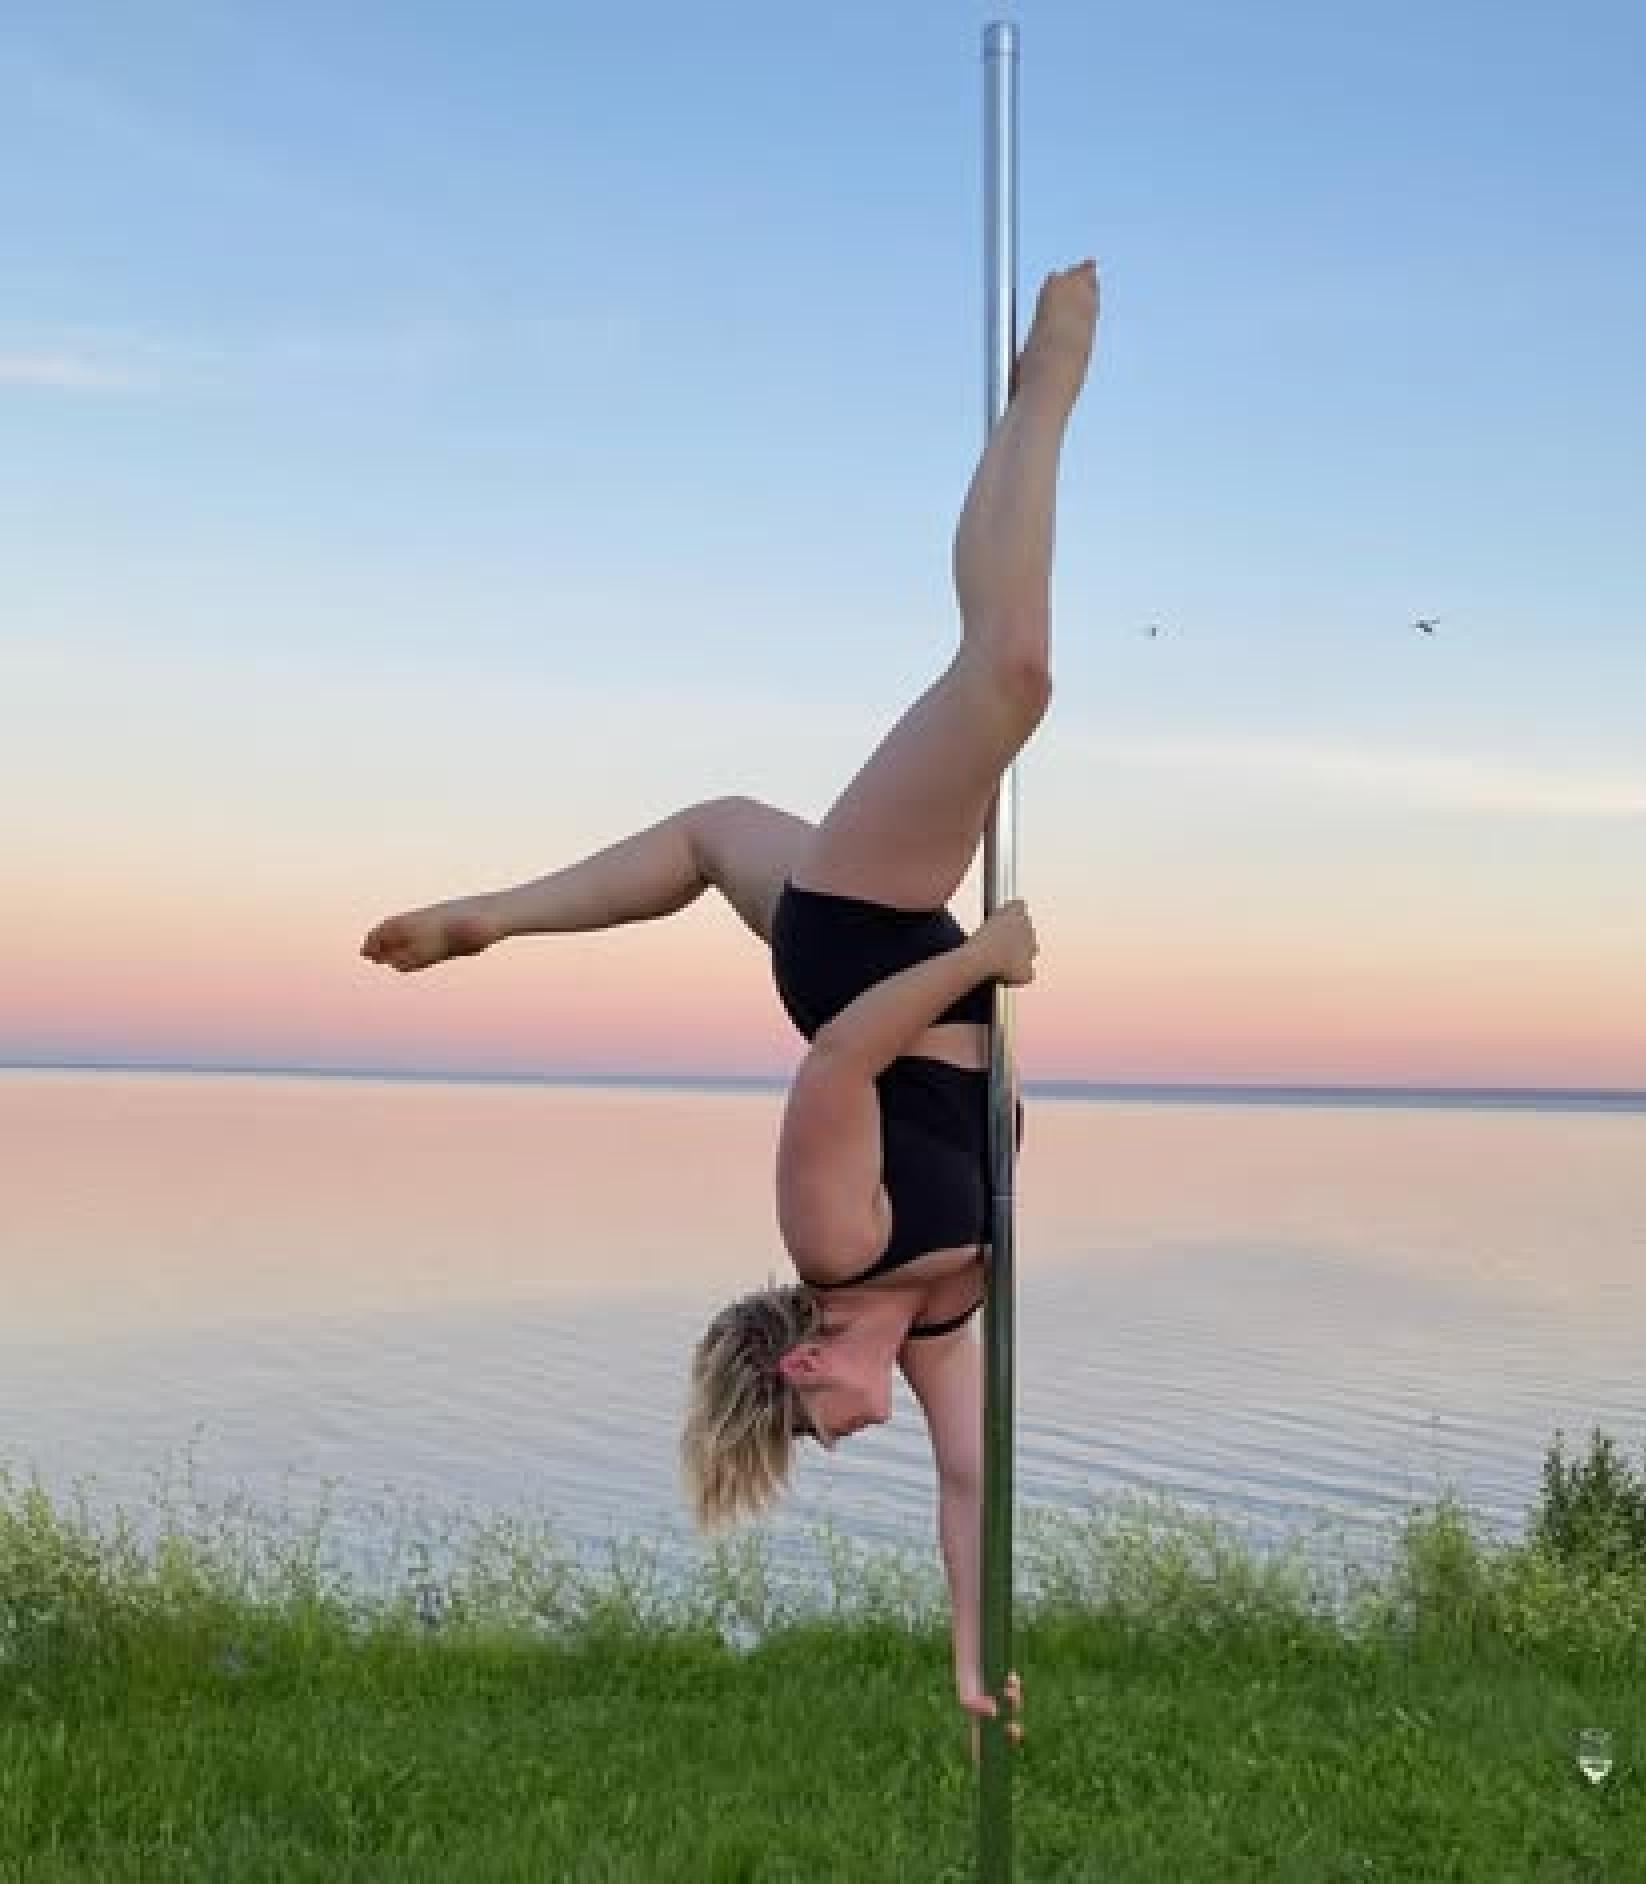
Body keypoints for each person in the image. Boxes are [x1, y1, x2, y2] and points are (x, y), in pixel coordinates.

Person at [361, 259, 1099, 1736]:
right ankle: (490, 918)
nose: (833, 1444)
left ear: (807, 1357)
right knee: (711, 836)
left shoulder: (836, 1246)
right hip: (877, 937)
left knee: (1010, 675)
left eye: (806, 1429)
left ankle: (1047, 391)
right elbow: (972, 1486)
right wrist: (967, 1662)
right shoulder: (940, 1314)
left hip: (868, 942)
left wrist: (981, 962)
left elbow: (835, 1061)